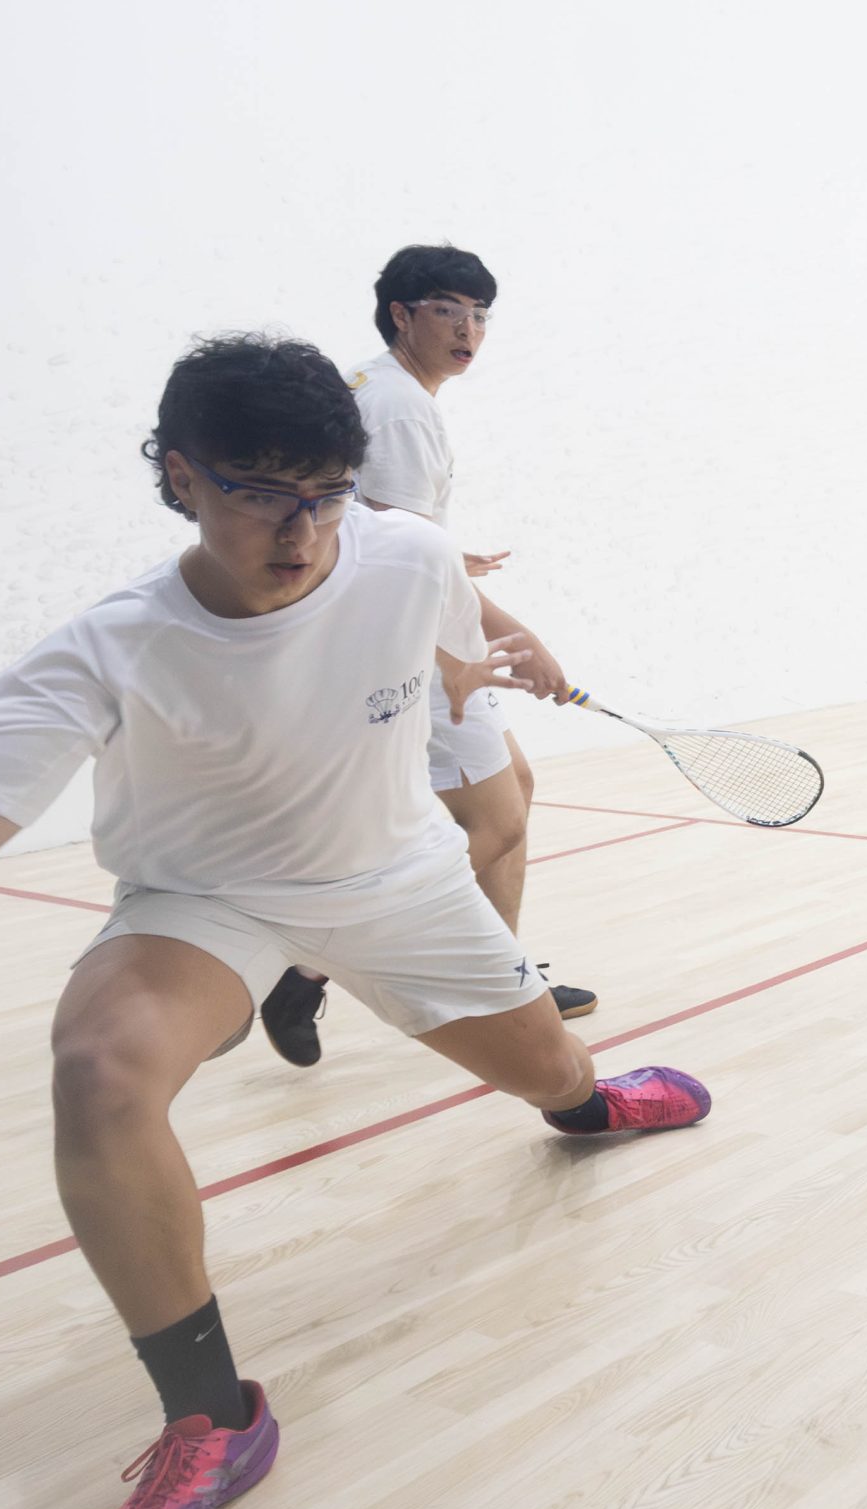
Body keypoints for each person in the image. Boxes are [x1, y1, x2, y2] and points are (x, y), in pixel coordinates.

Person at [0, 333, 712, 1509]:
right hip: (205, 904)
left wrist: (479, 679)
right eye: (261, 493)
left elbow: (436, 644)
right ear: (181, 475)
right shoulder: (115, 645)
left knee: (551, 1070)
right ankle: (214, 1420)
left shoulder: (406, 554)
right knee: (99, 1072)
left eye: (326, 493)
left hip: (398, 885)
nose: (302, 530)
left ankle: (586, 1108)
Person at [256, 244, 597, 1068]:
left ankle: (504, 981)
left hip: (399, 631)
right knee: (497, 819)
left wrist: (451, 556)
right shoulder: (404, 408)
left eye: (480, 315)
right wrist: (508, 646)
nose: (468, 329)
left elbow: (377, 530)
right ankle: (308, 965)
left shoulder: (375, 386)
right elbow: (399, 567)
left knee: (513, 791)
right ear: (402, 314)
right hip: (413, 643)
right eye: (449, 309)